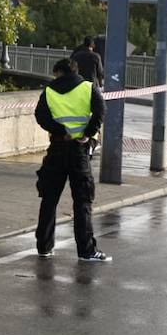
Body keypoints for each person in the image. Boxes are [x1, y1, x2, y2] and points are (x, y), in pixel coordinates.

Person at [33, 58, 111, 263]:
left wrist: (59, 130)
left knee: (49, 200)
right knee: (82, 201)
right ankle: (86, 251)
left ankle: (44, 246)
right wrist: (88, 132)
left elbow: (40, 116)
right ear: (75, 71)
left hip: (57, 148)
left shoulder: (49, 91)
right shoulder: (88, 87)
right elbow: (101, 110)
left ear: (59, 72)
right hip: (79, 150)